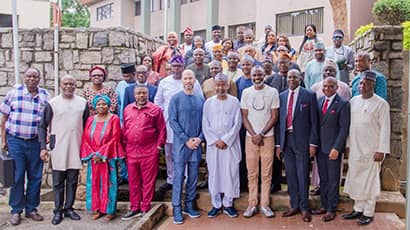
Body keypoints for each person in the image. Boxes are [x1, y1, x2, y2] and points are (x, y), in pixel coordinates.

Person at [0, 67, 50, 226]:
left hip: (36, 142)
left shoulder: (45, 96)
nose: (31, 79)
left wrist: (47, 139)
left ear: (39, 79)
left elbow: (49, 120)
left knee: (35, 177)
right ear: (24, 77)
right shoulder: (13, 94)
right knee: (17, 176)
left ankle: (31, 209)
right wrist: (3, 140)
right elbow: (3, 119)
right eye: (28, 76)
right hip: (16, 141)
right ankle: (16, 210)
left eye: (35, 76)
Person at [38, 75, 88, 225]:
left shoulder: (82, 103)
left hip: (76, 146)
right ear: (60, 85)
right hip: (58, 147)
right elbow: (42, 126)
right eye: (65, 84)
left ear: (75, 85)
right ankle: (58, 210)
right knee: (58, 182)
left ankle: (69, 208)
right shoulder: (52, 103)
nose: (68, 86)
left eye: (71, 84)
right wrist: (43, 147)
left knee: (72, 180)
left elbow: (87, 125)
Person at [343, 71, 390, 226]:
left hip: (372, 150)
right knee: (356, 179)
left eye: (367, 84)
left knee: (370, 182)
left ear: (373, 85)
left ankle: (368, 213)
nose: (363, 86)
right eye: (361, 83)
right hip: (355, 148)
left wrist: (381, 150)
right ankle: (358, 209)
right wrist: (348, 145)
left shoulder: (381, 104)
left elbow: (385, 129)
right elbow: (350, 126)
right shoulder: (353, 101)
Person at [154, 55, 203, 193]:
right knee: (170, 153)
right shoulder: (164, 82)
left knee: (188, 152)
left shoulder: (193, 82)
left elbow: (199, 100)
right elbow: (158, 102)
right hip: (170, 124)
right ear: (170, 66)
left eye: (179, 66)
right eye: (174, 66)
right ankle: (171, 178)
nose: (176, 68)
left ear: (183, 67)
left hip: (188, 125)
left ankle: (186, 179)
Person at [276, 69, 319, 223]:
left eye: (295, 77)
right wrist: (278, 144)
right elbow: (279, 122)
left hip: (302, 141)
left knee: (302, 174)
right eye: (289, 77)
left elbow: (314, 122)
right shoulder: (281, 96)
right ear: (286, 79)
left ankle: (304, 207)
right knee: (291, 175)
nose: (292, 79)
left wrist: (313, 143)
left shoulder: (309, 95)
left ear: (300, 78)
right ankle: (294, 205)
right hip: (286, 140)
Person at [121, 85, 166, 220]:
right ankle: (135, 207)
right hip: (131, 151)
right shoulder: (128, 109)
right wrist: (123, 148)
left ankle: (145, 207)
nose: (141, 96)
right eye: (138, 93)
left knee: (148, 181)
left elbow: (162, 129)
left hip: (149, 151)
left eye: (143, 93)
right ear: (134, 95)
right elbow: (125, 129)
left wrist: (158, 147)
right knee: (133, 181)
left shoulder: (155, 110)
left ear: (148, 95)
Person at [241, 66, 279, 218]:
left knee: (266, 173)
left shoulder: (272, 92)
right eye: (254, 74)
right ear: (250, 76)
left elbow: (274, 116)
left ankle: (265, 204)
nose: (257, 77)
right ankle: (252, 204)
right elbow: (244, 116)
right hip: (250, 139)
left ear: (265, 75)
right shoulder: (246, 92)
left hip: (267, 137)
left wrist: (262, 134)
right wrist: (254, 134)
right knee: (252, 173)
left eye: (260, 74)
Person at [202, 73, 242, 218]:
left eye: (223, 84)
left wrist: (225, 140)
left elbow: (237, 124)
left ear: (227, 85)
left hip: (229, 145)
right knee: (215, 174)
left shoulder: (235, 102)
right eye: (218, 84)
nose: (220, 87)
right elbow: (205, 124)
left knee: (230, 173)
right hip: (214, 146)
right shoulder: (208, 103)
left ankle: (228, 204)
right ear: (214, 85)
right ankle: (216, 204)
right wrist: (215, 140)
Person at [310, 77, 350, 222]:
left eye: (330, 86)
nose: (327, 89)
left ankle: (331, 208)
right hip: (320, 148)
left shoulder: (343, 104)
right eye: (325, 86)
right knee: (324, 179)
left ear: (336, 87)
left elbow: (343, 129)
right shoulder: (319, 101)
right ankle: (324, 205)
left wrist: (337, 148)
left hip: (333, 149)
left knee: (333, 180)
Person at [80, 95, 125, 221]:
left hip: (107, 157)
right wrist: (93, 154)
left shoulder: (114, 119)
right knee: (94, 183)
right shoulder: (90, 120)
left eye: (104, 104)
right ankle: (97, 209)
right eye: (99, 104)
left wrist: (101, 154)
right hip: (93, 158)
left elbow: (115, 138)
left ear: (109, 105)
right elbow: (85, 138)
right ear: (94, 106)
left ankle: (110, 210)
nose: (101, 106)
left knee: (109, 183)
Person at [168, 69, 205, 224]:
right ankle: (177, 207)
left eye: (191, 78)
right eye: (186, 78)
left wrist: (199, 138)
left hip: (196, 145)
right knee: (179, 177)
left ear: (194, 80)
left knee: (193, 176)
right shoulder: (175, 99)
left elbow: (205, 121)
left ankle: (189, 204)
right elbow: (172, 121)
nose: (188, 81)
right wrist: (186, 139)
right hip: (181, 145)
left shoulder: (200, 99)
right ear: (182, 80)